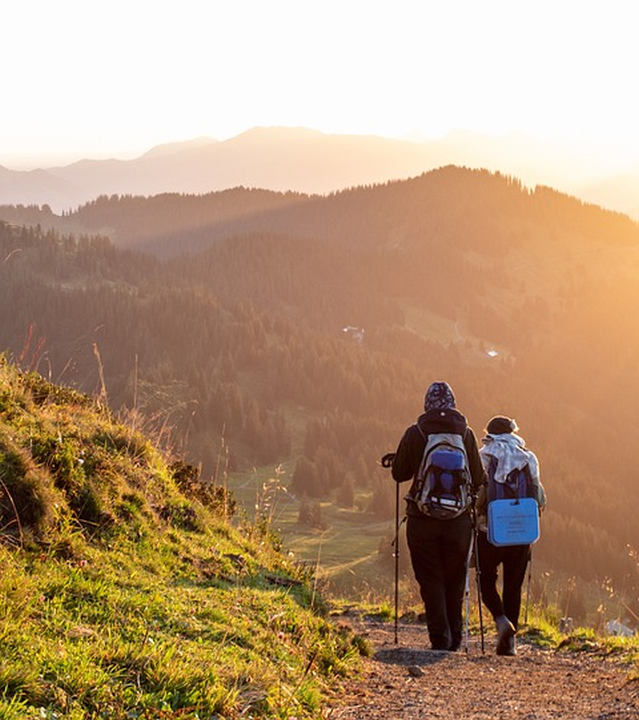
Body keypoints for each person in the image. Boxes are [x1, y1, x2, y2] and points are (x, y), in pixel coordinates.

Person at [391, 381, 486, 651]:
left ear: (427, 404)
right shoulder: (466, 434)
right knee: (456, 577)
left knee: (430, 577)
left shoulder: (417, 432)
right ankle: (455, 638)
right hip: (458, 522)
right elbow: (478, 478)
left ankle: (440, 638)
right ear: (453, 404)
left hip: (422, 520)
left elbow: (399, 474)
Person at [476, 415, 546, 656]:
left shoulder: (483, 455)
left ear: (490, 433)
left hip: (489, 531)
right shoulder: (528, 457)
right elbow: (539, 497)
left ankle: (500, 618)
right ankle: (510, 645)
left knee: (485, 581)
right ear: (512, 432)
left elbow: (475, 493)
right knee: (513, 587)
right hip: (521, 531)